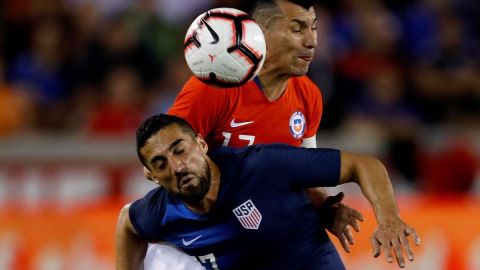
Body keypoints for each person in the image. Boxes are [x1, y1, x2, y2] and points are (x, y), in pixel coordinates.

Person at [144, 1, 364, 267]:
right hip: (211, 237)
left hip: (276, 233)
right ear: (261, 33)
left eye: (314, 29)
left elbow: (307, 178)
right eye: (297, 29)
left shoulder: (308, 96)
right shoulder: (215, 87)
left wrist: (326, 207)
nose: (311, 41)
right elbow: (158, 161)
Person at [116, 114, 420, 270]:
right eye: (160, 163)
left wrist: (389, 218)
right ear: (151, 176)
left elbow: (362, 164)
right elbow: (127, 222)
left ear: (201, 143)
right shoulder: (161, 211)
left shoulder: (263, 166)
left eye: (180, 150)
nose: (177, 167)